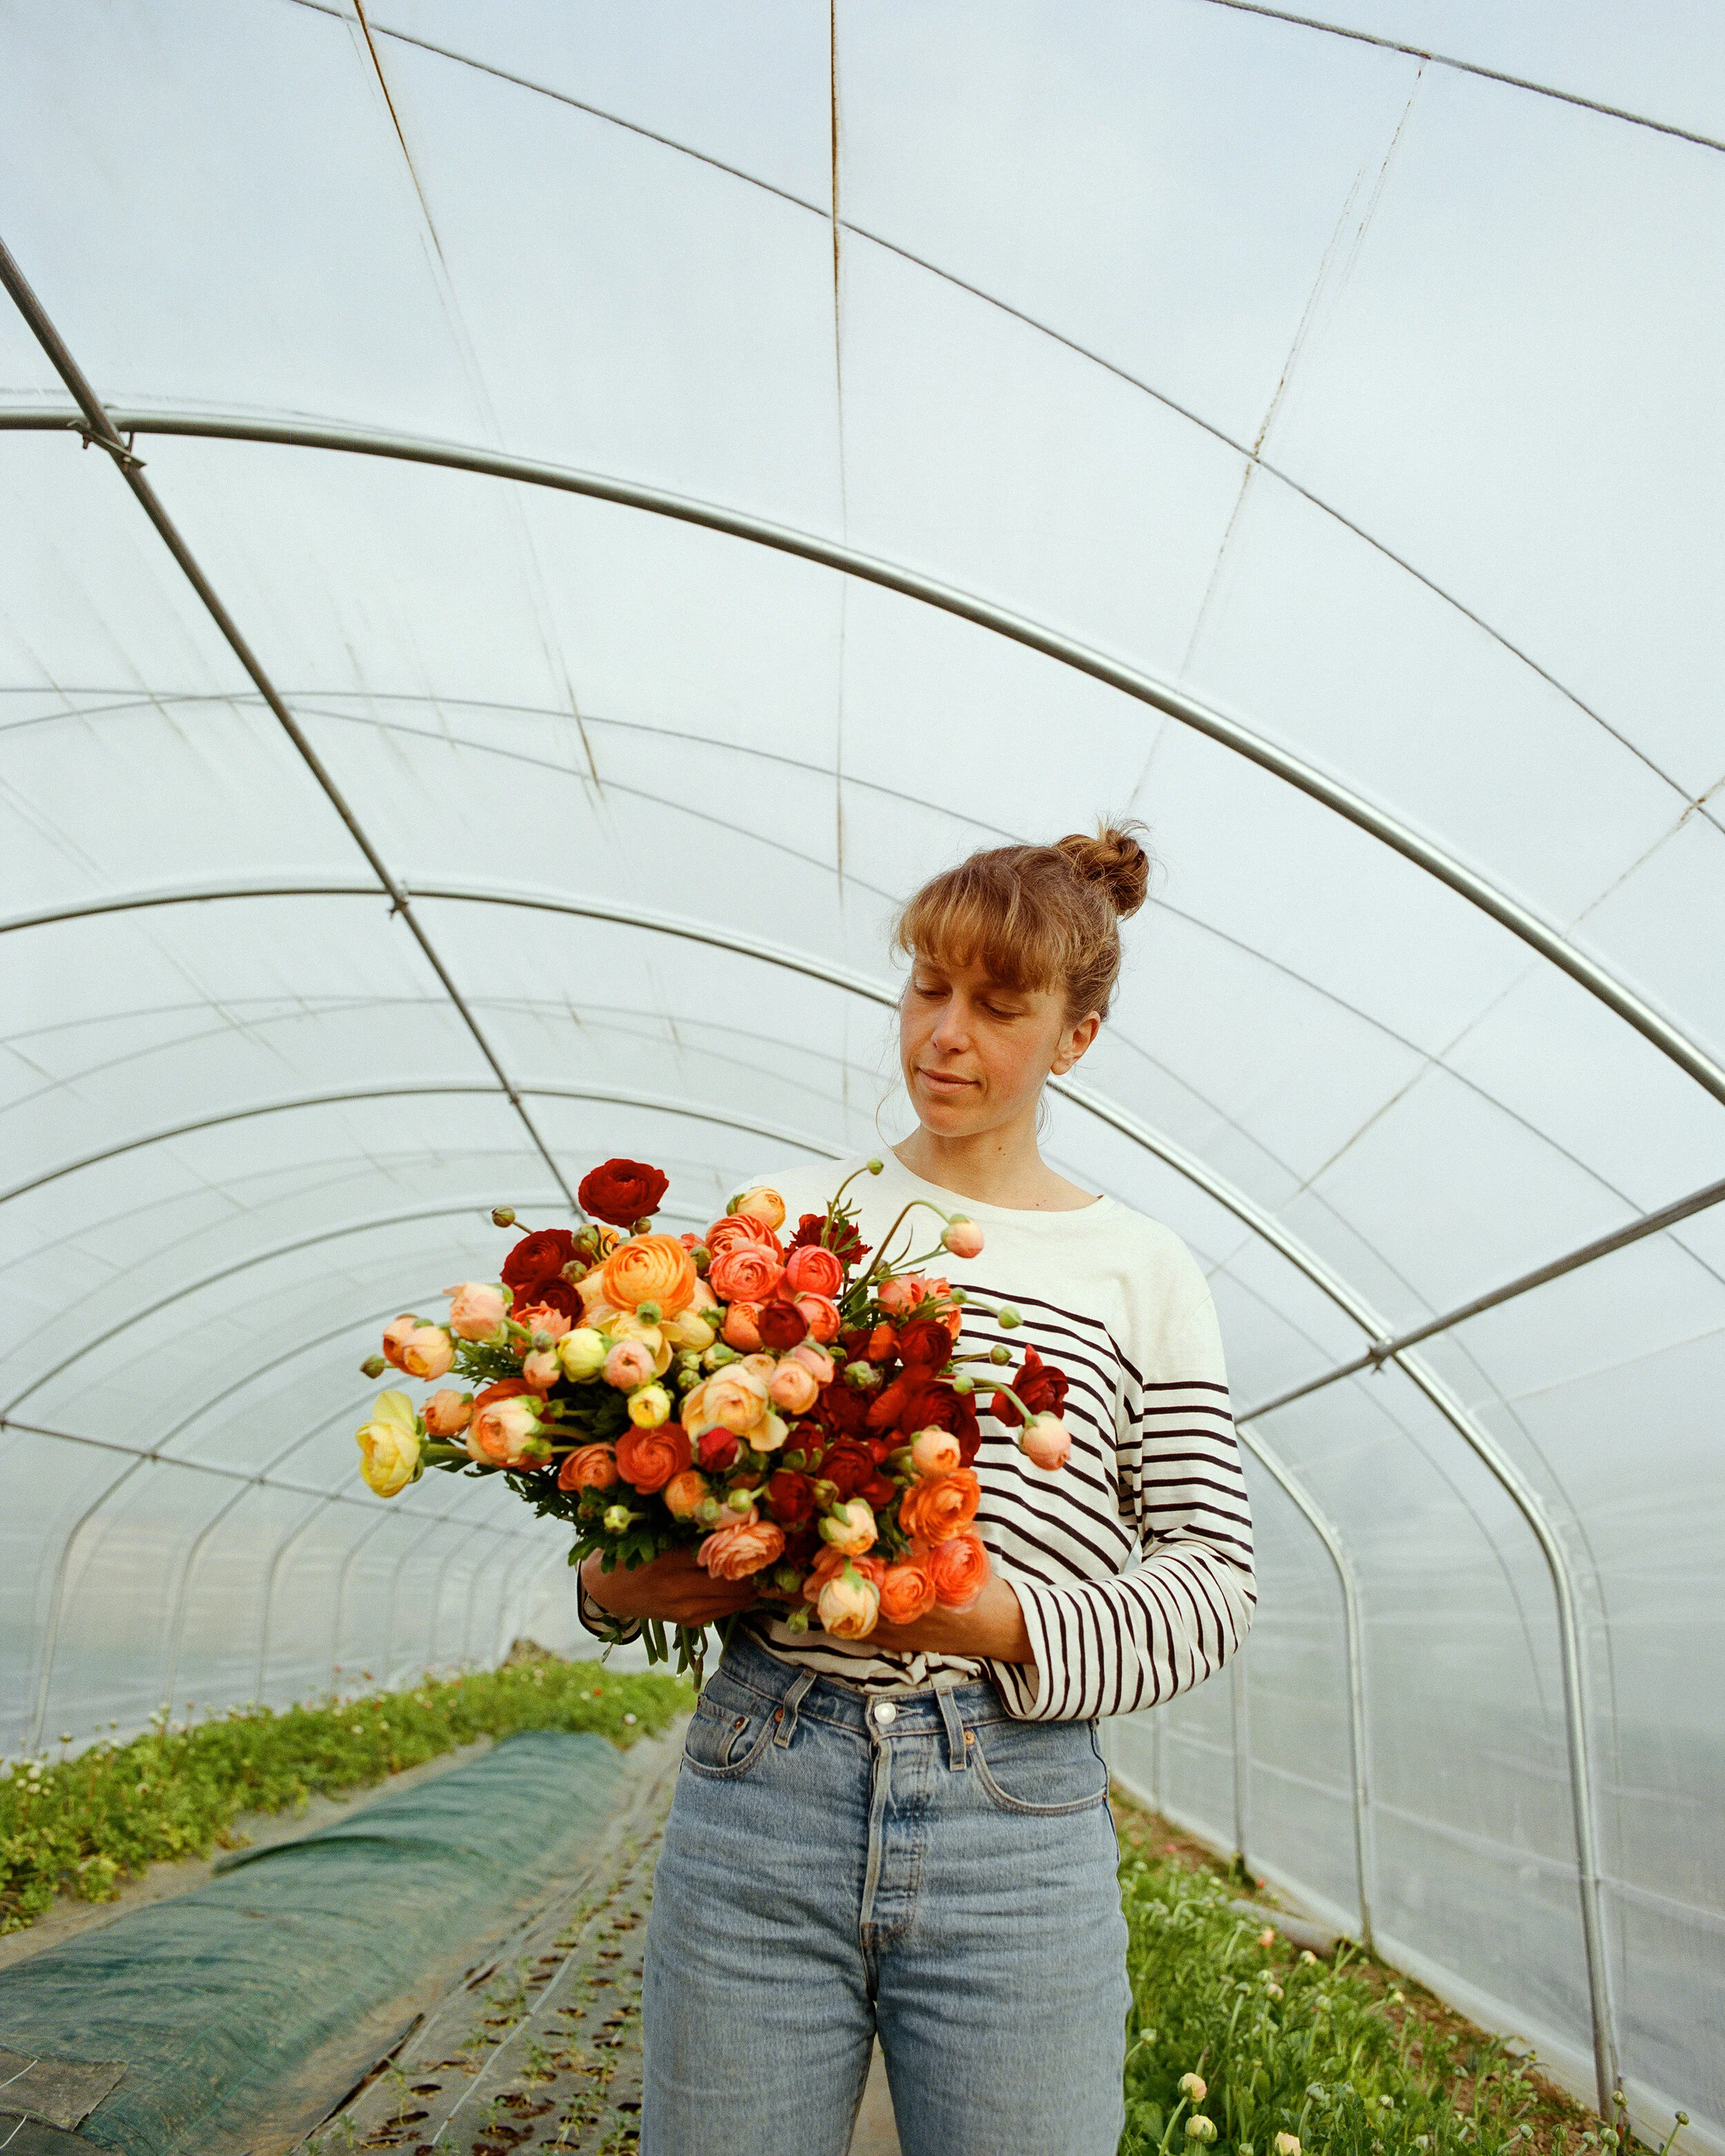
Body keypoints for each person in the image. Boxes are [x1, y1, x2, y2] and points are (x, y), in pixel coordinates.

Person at [580, 822, 1256, 2156]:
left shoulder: (1142, 1271)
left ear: (1077, 1039)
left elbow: (1214, 1584)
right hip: (765, 1780)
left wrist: (991, 1625)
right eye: (926, 989)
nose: (946, 1036)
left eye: (998, 1008)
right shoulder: (796, 1225)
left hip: (1013, 1809)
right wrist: (615, 1585)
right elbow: (652, 1521)